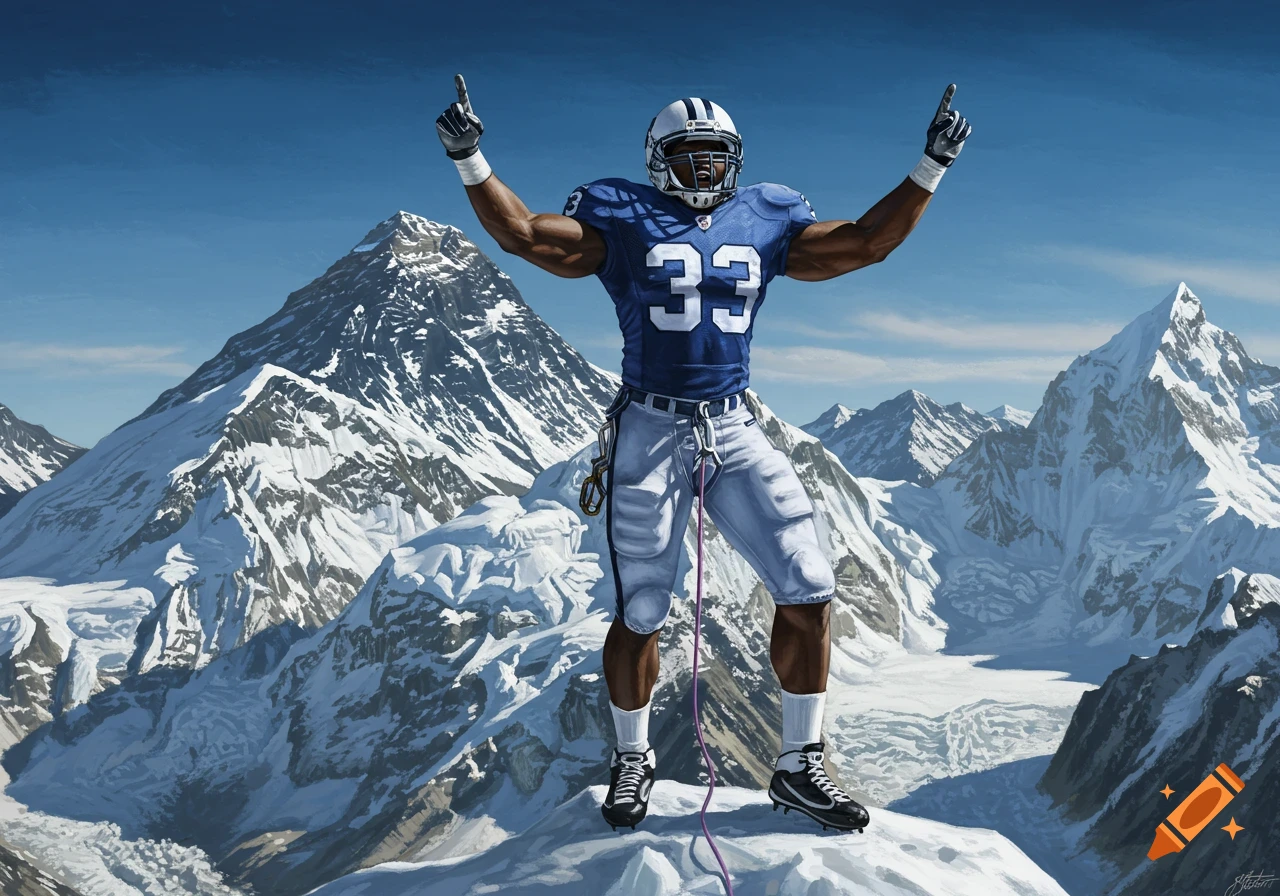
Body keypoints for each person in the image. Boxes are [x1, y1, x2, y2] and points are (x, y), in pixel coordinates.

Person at [436, 76, 971, 834]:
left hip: (733, 423)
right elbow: (524, 234)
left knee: (809, 588)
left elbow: (865, 244)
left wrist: (930, 165)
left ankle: (798, 764)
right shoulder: (622, 218)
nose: (705, 171)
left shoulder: (766, 216)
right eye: (689, 156)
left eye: (716, 157)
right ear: (659, 160)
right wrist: (469, 157)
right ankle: (632, 757)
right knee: (643, 605)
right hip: (650, 428)